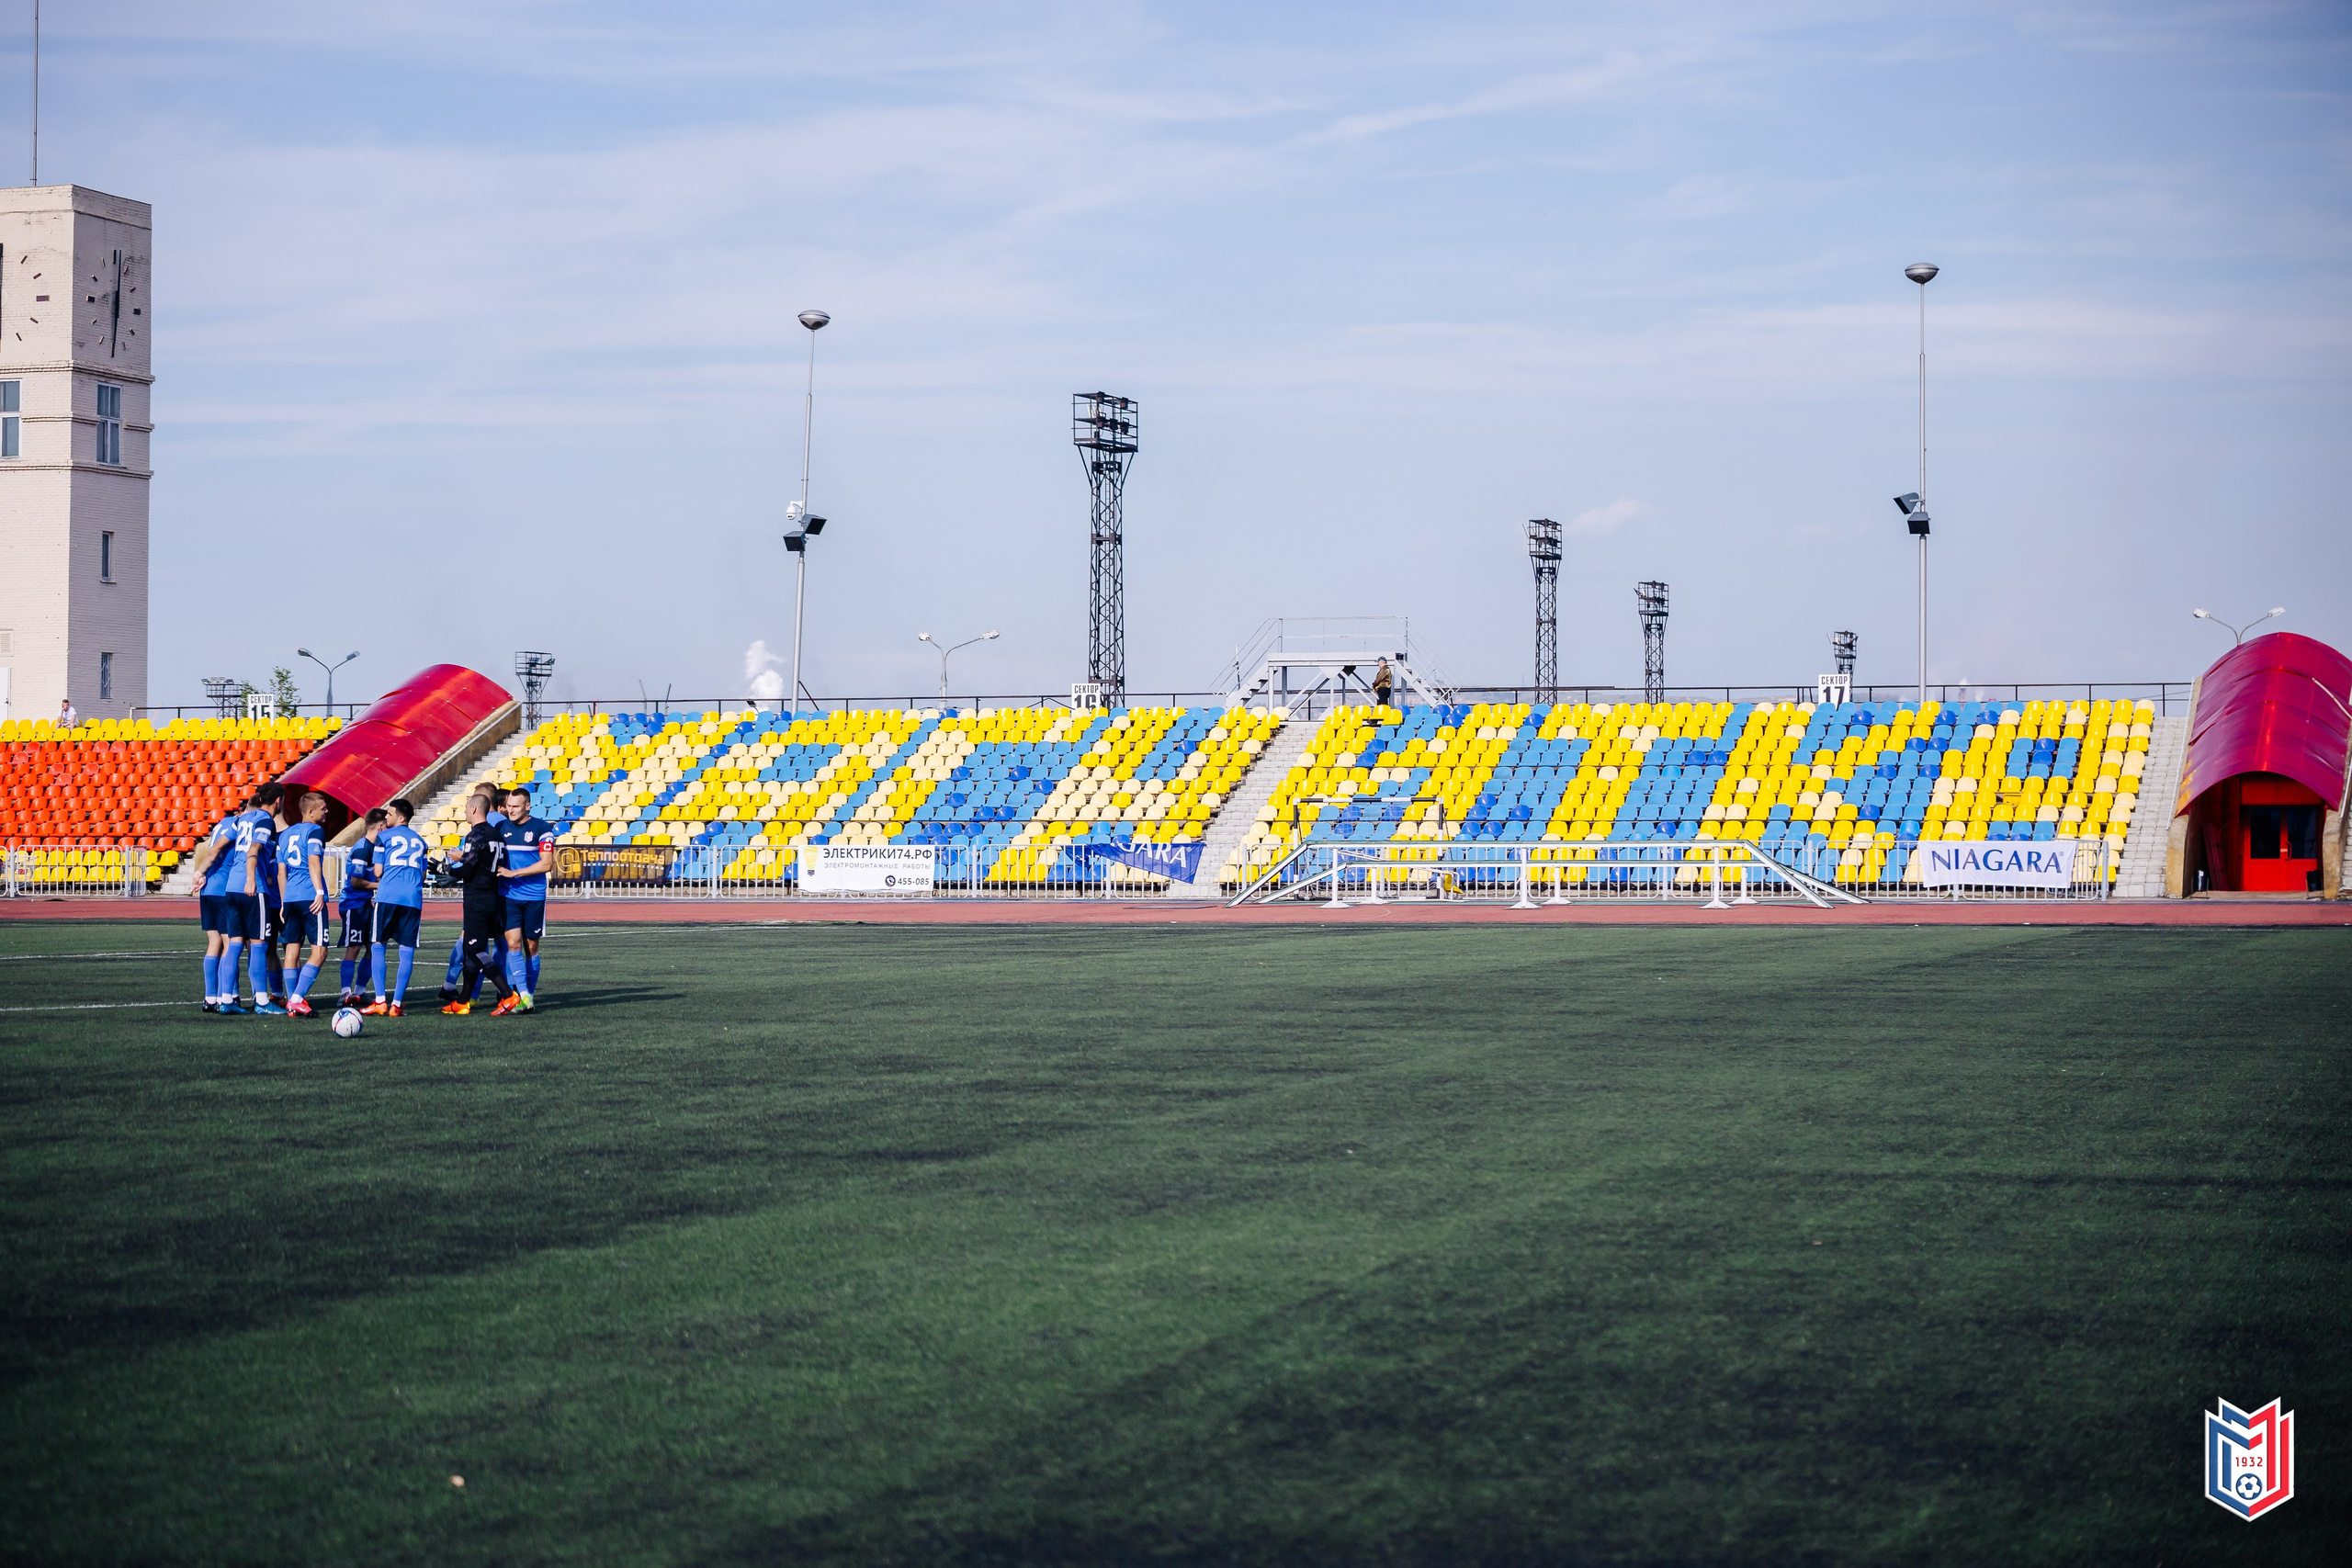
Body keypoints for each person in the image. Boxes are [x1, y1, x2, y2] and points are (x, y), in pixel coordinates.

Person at [439, 795, 515, 1016]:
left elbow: (469, 870)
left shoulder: (476, 834)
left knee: (474, 950)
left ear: (474, 809)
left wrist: (446, 870)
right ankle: (463, 1001)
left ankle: (508, 995)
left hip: (478, 899)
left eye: (465, 808)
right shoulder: (497, 836)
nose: (464, 811)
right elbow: (481, 864)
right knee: (472, 950)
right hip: (493, 896)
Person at [362, 798, 427, 1017]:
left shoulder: (384, 837)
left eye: (389, 814)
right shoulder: (420, 842)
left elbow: (378, 872)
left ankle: (380, 1000)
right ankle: (396, 1004)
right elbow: (423, 874)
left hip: (388, 895)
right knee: (406, 951)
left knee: (378, 945)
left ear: (401, 817)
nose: (385, 818)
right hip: (412, 899)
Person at [495, 785, 555, 1010]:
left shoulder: (542, 828)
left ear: (527, 806)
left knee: (531, 947)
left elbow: (546, 863)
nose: (511, 810)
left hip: (533, 896)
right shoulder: (501, 827)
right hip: (508, 895)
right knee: (513, 943)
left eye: (516, 806)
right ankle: (522, 995)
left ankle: (530, 992)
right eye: (509, 806)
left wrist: (514, 873)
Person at [276, 791, 333, 1017]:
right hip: (310, 897)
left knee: (292, 949)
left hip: (290, 898)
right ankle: (297, 999)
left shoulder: (285, 834)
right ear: (310, 812)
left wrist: (282, 902)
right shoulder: (315, 830)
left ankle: (293, 1001)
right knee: (320, 951)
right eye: (323, 808)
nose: (326, 811)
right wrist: (319, 891)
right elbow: (313, 862)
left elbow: (281, 872)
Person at [192, 806, 247, 1013]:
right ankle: (229, 996)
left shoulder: (221, 824)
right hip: (224, 888)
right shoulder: (237, 825)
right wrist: (200, 872)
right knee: (231, 944)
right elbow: (214, 852)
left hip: (209, 889)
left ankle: (210, 998)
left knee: (215, 942)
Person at [338, 808, 387, 1006]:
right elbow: (356, 881)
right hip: (353, 904)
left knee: (371, 946)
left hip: (365, 903)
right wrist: (381, 885)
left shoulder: (376, 847)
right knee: (354, 946)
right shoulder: (362, 849)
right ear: (381, 826)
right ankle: (344, 992)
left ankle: (360, 991)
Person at [248, 789, 288, 1014]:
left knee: (288, 948)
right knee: (269, 949)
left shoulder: (285, 834)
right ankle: (277, 994)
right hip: (269, 902)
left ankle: (292, 995)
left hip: (281, 901)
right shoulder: (263, 830)